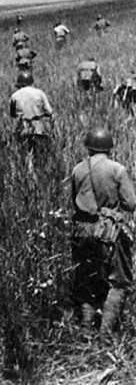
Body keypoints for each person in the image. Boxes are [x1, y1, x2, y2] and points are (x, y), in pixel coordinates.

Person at [69, 128, 136, 334]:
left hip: (81, 230)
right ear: (109, 147)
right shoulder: (117, 169)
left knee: (87, 279)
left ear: (88, 146)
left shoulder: (78, 169)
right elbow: (131, 204)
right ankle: (106, 335)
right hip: (108, 231)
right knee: (118, 282)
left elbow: (73, 200)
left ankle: (86, 330)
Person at [10, 72, 53, 149]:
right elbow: (49, 111)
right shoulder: (40, 93)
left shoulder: (14, 96)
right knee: (41, 153)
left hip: (23, 129)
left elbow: (13, 115)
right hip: (39, 129)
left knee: (26, 153)